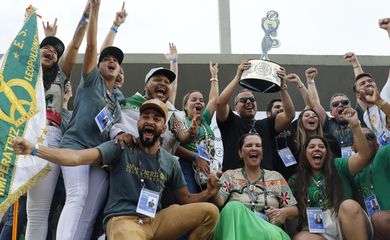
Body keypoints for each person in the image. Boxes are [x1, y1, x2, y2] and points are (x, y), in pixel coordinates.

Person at [12, 99, 221, 240]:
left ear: (163, 128)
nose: (150, 121)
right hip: (123, 221)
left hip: (155, 220)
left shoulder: (170, 161)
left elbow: (185, 199)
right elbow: (77, 157)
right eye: (145, 116)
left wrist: (208, 193)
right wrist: (34, 149)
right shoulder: (121, 147)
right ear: (138, 122)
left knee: (209, 212)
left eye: (156, 119)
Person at [57, 0, 125, 238]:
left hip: (96, 157)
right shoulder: (91, 80)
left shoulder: (116, 103)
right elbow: (93, 44)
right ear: (98, 64)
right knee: (77, 196)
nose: (112, 61)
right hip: (74, 147)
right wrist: (97, 12)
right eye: (107, 59)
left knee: (90, 209)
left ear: (119, 72)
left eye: (116, 61)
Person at [22, 2, 91, 239]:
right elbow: (18, 56)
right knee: (23, 209)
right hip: (22, 135)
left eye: (55, 50)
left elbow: (76, 42)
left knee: (39, 211)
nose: (50, 50)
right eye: (45, 47)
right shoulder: (27, 73)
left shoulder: (61, 76)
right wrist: (27, 24)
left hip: (51, 136)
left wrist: (89, 10)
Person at [289, 108, 371, 240]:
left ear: (327, 153)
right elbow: (292, 209)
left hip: (347, 222)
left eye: (321, 146)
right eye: (311, 147)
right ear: (304, 154)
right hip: (319, 231)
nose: (316, 149)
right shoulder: (295, 180)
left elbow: (363, 155)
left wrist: (355, 125)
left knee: (348, 205)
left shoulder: (339, 165)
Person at [212, 133, 298, 240]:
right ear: (240, 153)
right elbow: (219, 201)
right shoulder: (230, 175)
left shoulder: (276, 177)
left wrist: (283, 213)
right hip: (238, 230)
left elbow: (294, 209)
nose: (254, 148)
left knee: (273, 234)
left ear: (262, 153)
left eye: (258, 145)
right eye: (249, 145)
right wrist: (213, 190)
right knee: (232, 207)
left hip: (267, 229)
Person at [216, 61, 295, 172]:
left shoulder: (267, 124)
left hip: (264, 182)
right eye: (243, 100)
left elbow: (289, 115)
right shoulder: (230, 121)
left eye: (252, 100)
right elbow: (220, 103)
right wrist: (238, 77)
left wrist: (282, 87)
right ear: (236, 107)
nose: (249, 102)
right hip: (234, 181)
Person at [174, 62, 219, 192]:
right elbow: (173, 148)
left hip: (208, 166)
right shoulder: (180, 119)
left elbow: (214, 99)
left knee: (210, 200)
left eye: (201, 99)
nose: (198, 102)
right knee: (192, 199)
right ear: (185, 106)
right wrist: (195, 157)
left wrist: (214, 75)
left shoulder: (204, 120)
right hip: (187, 165)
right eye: (194, 99)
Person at [349, 127, 390, 240]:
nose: (365, 140)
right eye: (360, 137)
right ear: (353, 146)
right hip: (372, 230)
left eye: (369, 137)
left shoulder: (383, 155)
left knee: (379, 219)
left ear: (377, 144)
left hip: (385, 220)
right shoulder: (351, 173)